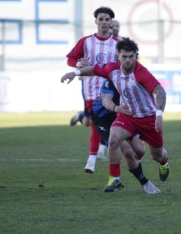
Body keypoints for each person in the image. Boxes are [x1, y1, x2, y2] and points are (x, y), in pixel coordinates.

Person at [61, 37, 170, 192]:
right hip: (128, 115)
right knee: (113, 140)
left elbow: (160, 91)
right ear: (118, 55)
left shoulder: (141, 73)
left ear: (135, 56)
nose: (127, 60)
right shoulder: (112, 69)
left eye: (131, 56)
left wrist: (159, 113)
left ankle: (164, 162)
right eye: (124, 56)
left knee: (157, 155)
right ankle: (114, 177)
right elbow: (93, 69)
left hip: (148, 118)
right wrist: (75, 72)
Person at [65, 6, 119, 173]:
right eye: (100, 19)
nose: (103, 22)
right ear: (96, 21)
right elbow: (71, 58)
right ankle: (93, 159)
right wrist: (77, 64)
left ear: (110, 22)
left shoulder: (117, 44)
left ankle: (97, 160)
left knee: (114, 126)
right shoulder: (86, 41)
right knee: (96, 125)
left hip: (112, 91)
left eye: (106, 19)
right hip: (91, 90)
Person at [91, 79, 160, 194]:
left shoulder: (138, 79)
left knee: (139, 151)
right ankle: (137, 181)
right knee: (125, 150)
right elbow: (105, 100)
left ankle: (135, 169)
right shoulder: (112, 79)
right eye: (124, 59)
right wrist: (115, 108)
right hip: (104, 118)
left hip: (125, 117)